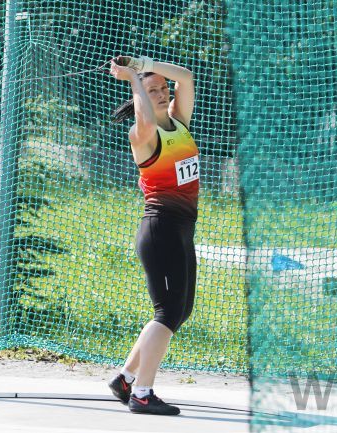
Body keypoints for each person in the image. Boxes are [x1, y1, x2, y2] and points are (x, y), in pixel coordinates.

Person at [106, 55, 199, 416]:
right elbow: (144, 113)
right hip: (159, 230)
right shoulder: (143, 134)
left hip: (182, 231)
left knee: (181, 310)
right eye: (153, 90)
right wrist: (133, 78)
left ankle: (126, 379)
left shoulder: (179, 123)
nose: (162, 93)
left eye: (163, 88)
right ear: (139, 97)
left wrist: (143, 63)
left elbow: (186, 77)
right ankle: (142, 394)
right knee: (167, 312)